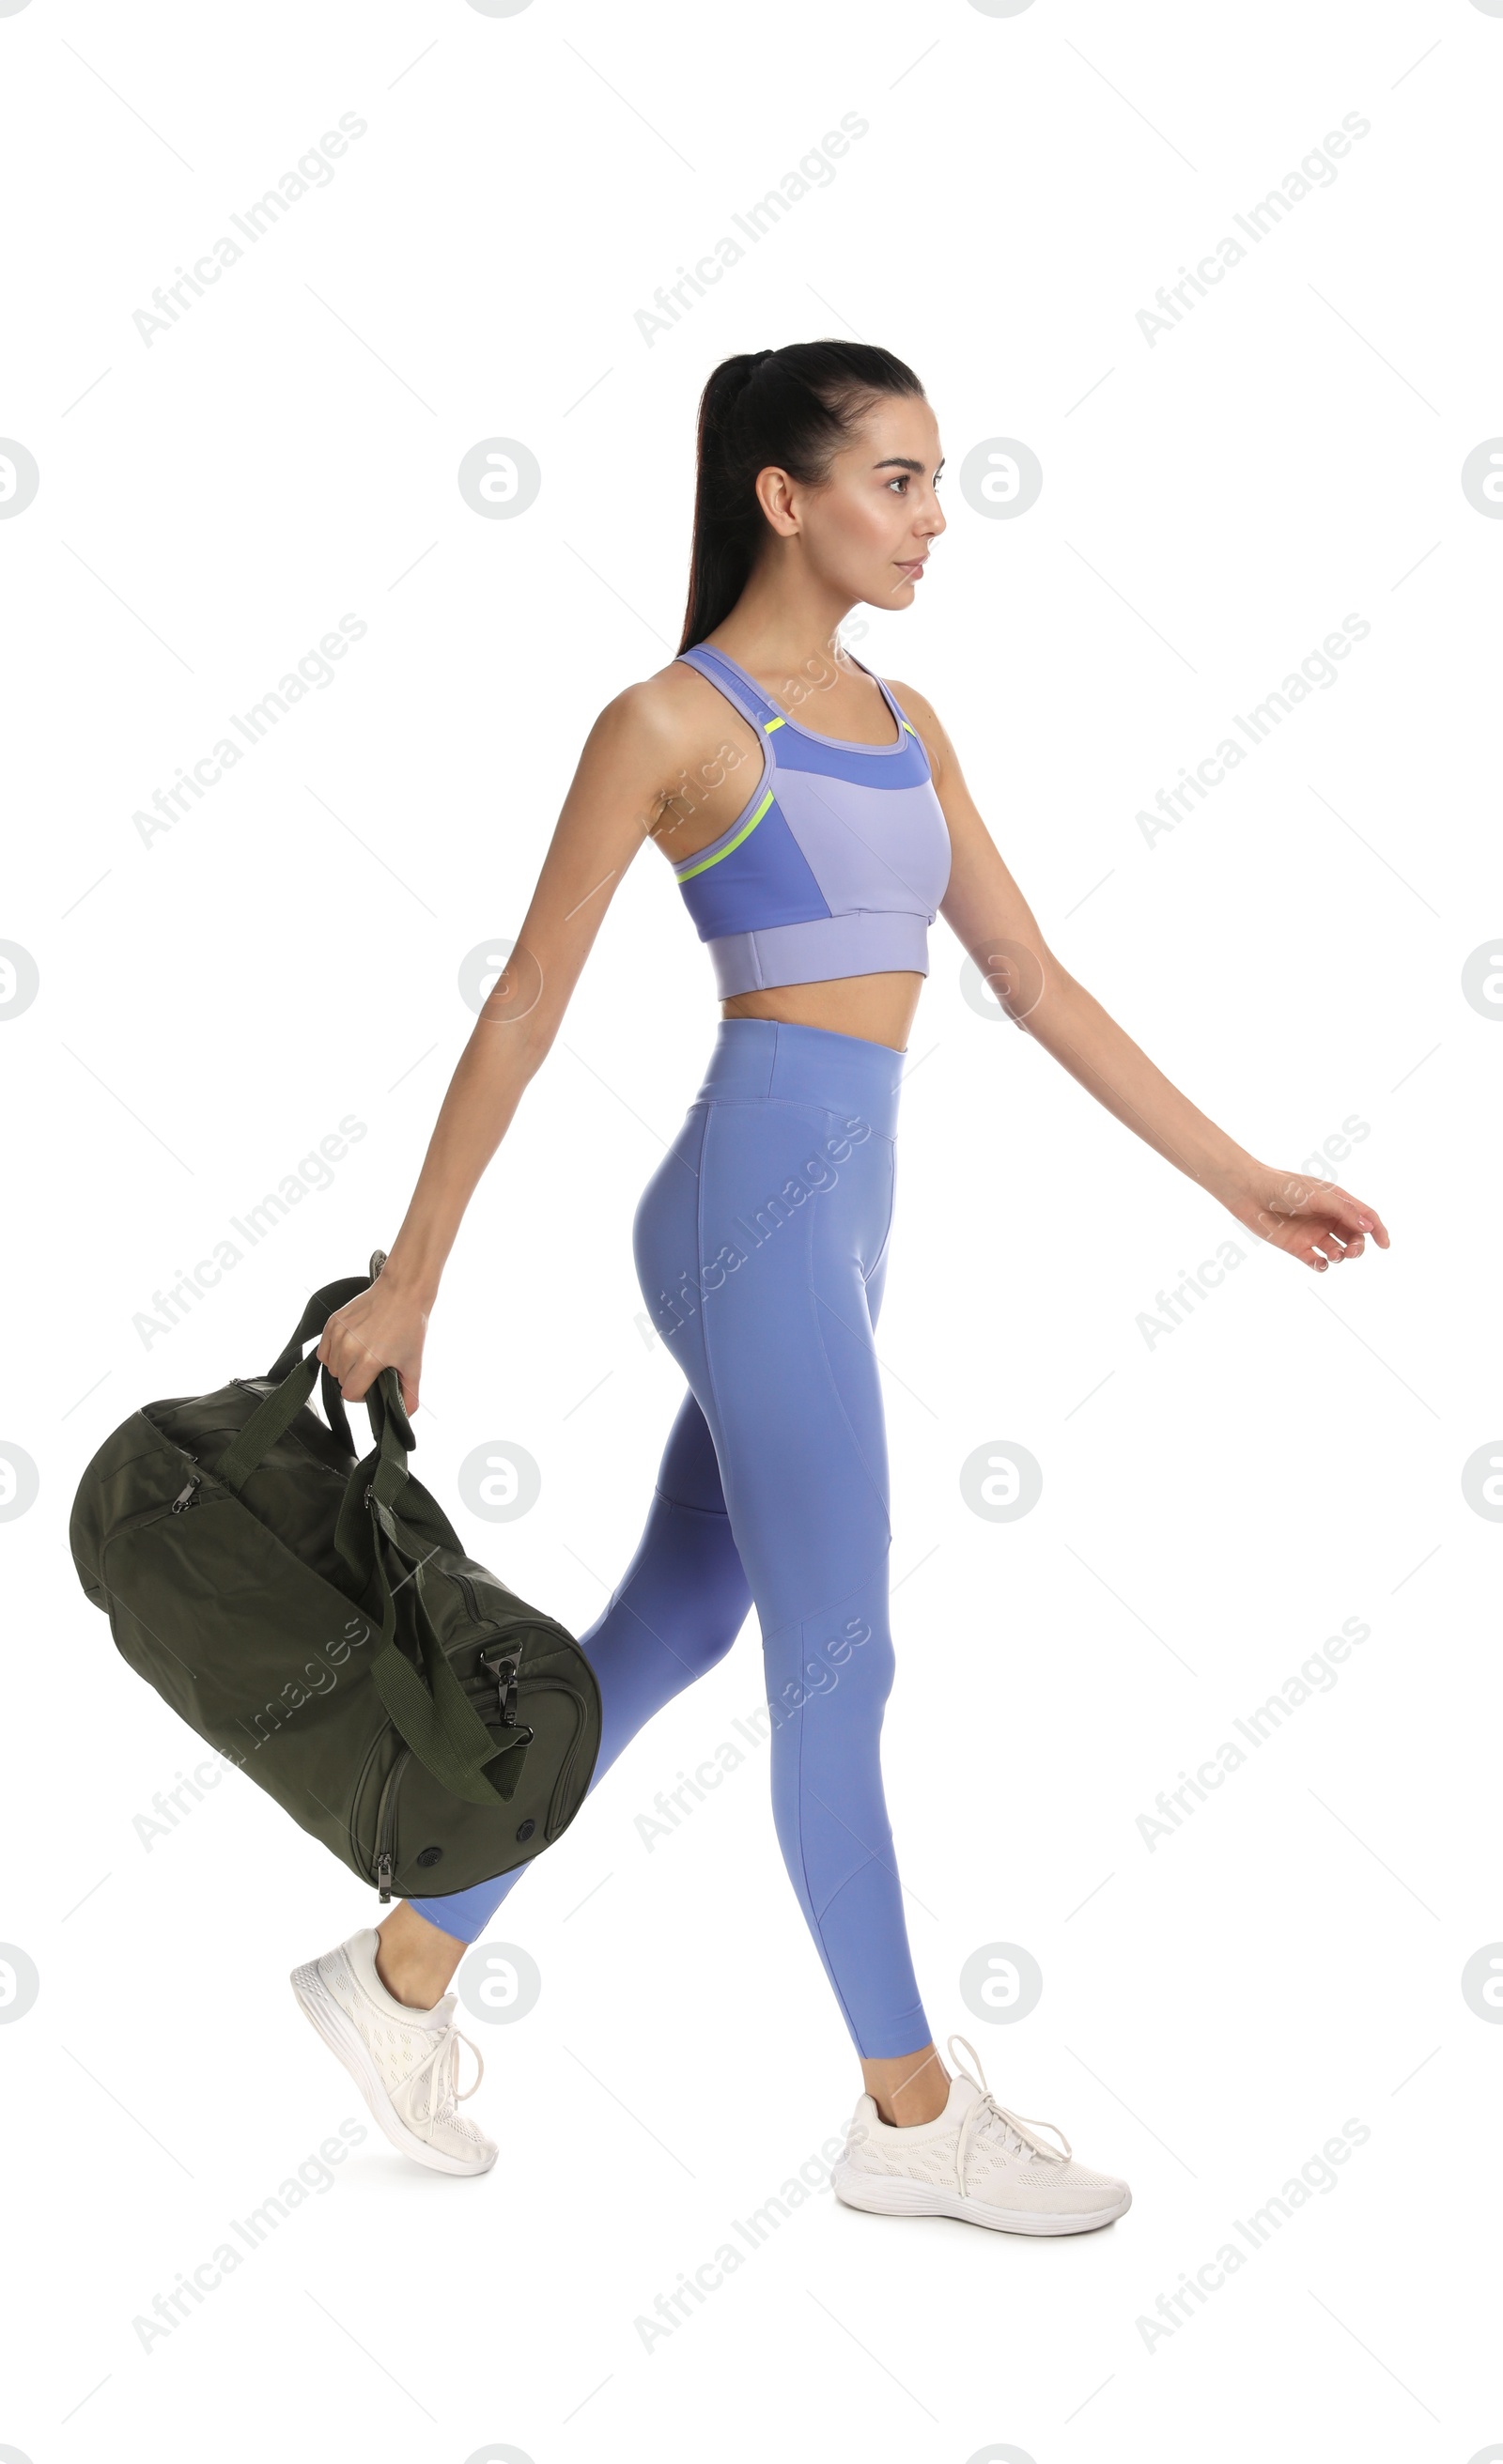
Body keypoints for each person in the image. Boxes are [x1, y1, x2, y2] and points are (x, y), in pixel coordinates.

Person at [291, 341, 1388, 2228]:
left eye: (934, 476)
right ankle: (906, 2118)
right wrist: (409, 1280)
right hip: (745, 1218)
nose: (932, 514)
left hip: (833, 1224)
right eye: (894, 478)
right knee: (840, 1663)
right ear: (780, 497)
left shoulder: (903, 719)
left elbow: (1028, 982)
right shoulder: (669, 721)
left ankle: (396, 1970)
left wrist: (1238, 1179)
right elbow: (527, 1003)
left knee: (667, 1630)